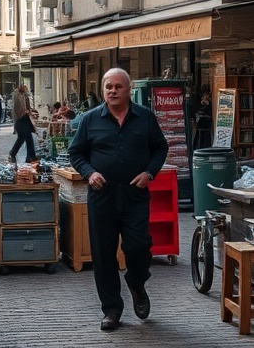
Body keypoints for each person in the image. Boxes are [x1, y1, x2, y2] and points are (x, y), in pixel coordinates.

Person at [68, 68, 168, 331]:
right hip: (103, 197)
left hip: (135, 195)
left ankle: (136, 281)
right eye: (108, 87)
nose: (112, 91)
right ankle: (112, 310)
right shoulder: (90, 120)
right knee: (103, 255)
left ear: (128, 89)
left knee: (138, 246)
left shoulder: (145, 118)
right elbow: (76, 153)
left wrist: (149, 172)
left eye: (117, 87)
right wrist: (89, 173)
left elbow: (161, 147)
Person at [8, 83, 37, 163]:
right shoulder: (17, 95)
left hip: (25, 118)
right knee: (22, 137)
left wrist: (30, 111)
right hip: (20, 119)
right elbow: (18, 109)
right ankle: (13, 153)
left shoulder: (24, 94)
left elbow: (28, 105)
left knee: (28, 137)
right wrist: (25, 112)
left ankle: (31, 156)